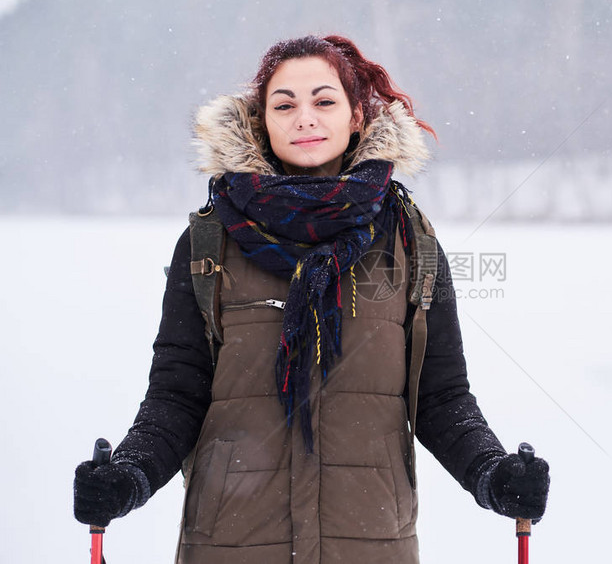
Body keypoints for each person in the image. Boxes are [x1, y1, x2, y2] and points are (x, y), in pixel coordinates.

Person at [73, 35, 549, 564]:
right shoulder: (209, 242)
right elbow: (176, 396)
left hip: (369, 544)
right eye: (285, 105)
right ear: (261, 123)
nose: (305, 118)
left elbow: (440, 398)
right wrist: (129, 474)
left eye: (324, 101)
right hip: (231, 543)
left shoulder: (410, 240)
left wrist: (492, 473)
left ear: (355, 118)